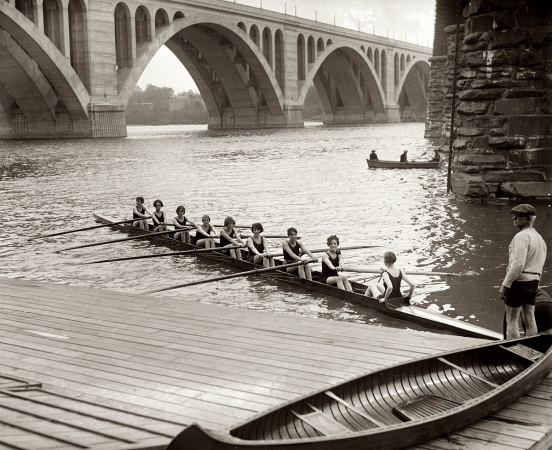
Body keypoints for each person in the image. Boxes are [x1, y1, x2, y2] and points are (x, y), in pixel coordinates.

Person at [499, 204, 547, 339]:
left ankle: (512, 350)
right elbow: (540, 265)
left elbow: (517, 264)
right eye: (514, 215)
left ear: (528, 219)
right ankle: (532, 347)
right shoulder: (540, 239)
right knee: (530, 318)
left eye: (518, 216)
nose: (514, 218)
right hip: (533, 282)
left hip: (519, 281)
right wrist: (536, 284)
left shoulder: (521, 236)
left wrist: (505, 285)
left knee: (512, 319)